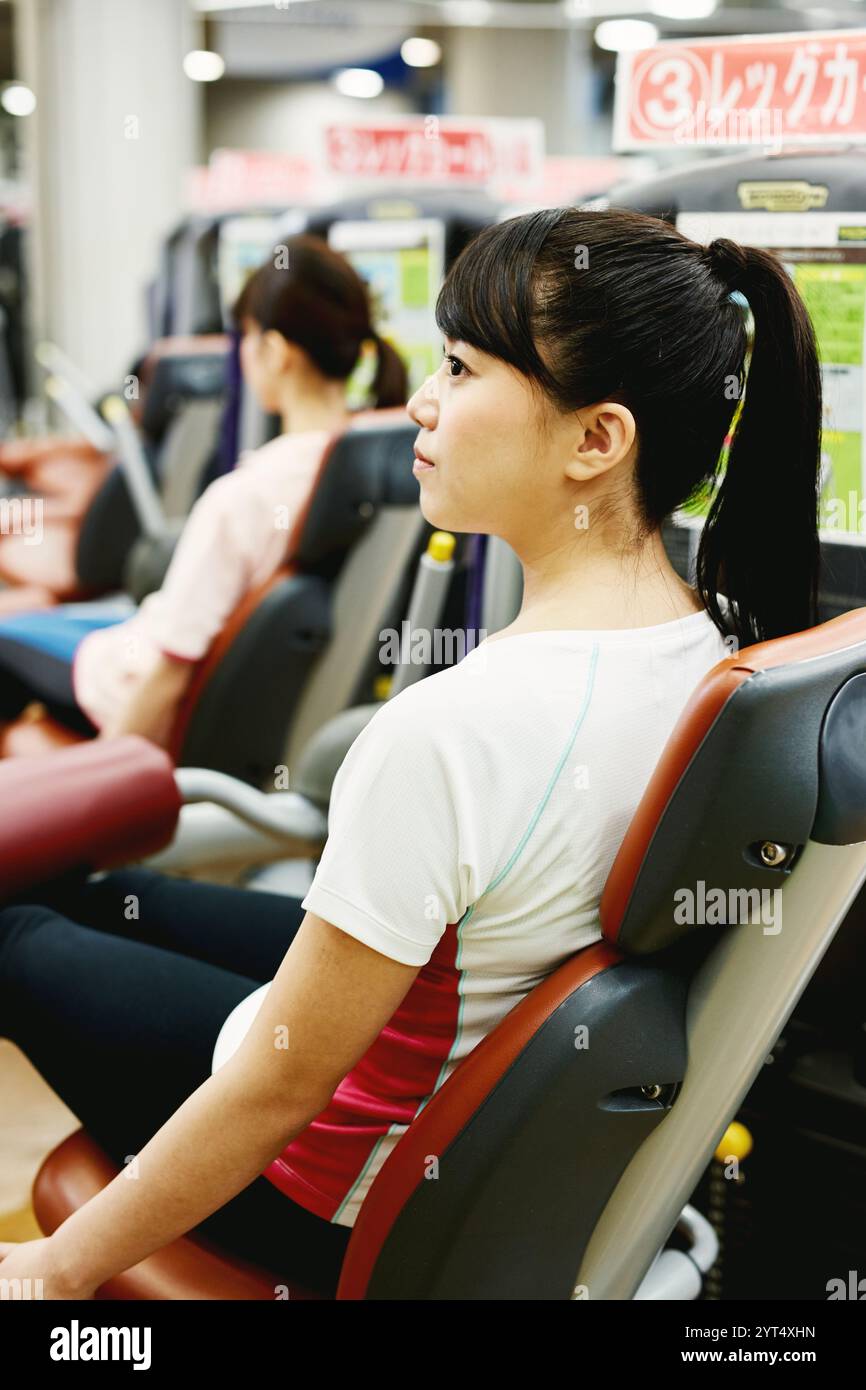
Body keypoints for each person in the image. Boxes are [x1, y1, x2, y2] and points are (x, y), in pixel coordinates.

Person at [0, 206, 822, 1299]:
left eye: (460, 367)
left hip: (338, 1187)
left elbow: (278, 1090)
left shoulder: (453, 728)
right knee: (105, 897)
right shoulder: (712, 641)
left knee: (16, 931)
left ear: (595, 441)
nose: (420, 403)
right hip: (441, 1073)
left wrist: (56, 1269)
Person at [0, 234, 407, 747]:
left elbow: (168, 674)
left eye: (247, 340)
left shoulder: (246, 495)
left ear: (275, 352)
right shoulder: (382, 464)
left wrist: (99, 781)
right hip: (144, 647)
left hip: (125, 684)